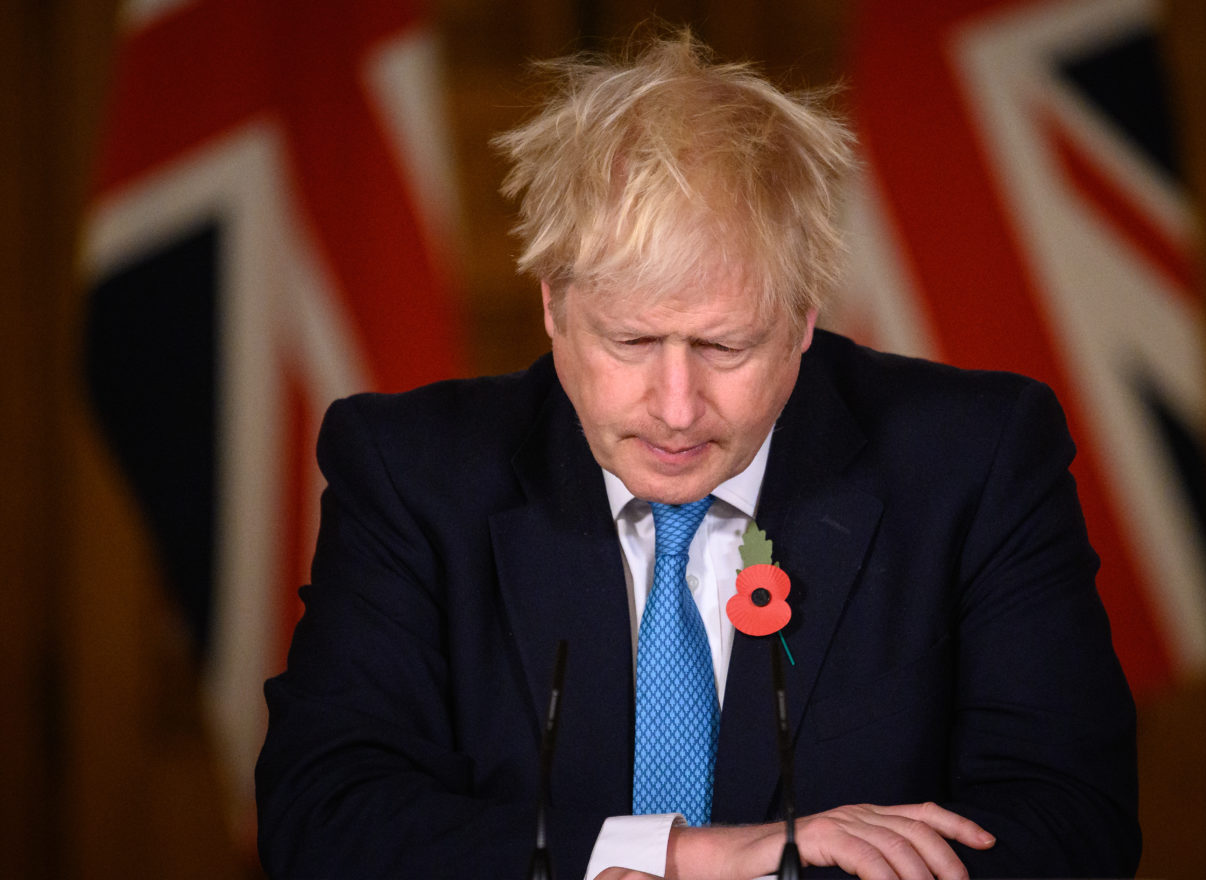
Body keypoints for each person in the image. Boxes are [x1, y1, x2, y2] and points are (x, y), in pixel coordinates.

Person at [256, 28, 1140, 880]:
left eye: (726, 347)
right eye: (632, 342)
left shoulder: (977, 461)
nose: (677, 409)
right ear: (554, 306)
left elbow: (1069, 822)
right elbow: (323, 815)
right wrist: (691, 857)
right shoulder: (410, 473)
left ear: (802, 319)